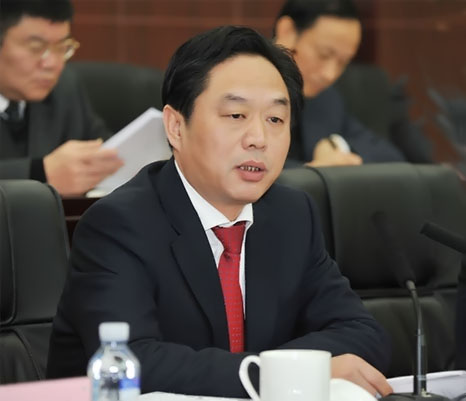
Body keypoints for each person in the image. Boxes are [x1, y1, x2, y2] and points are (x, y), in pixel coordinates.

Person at [47, 26, 393, 397]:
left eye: (275, 119)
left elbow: (363, 334)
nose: (258, 139)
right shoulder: (118, 225)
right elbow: (134, 361)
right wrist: (278, 373)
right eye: (236, 115)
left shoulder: (292, 215)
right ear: (176, 127)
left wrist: (270, 370)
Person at [0, 0, 123, 196]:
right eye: (36, 47)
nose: (52, 64)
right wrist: (39, 173)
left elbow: (106, 150)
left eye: (61, 47)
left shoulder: (65, 88)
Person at [274, 0, 406, 166]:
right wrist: (313, 172)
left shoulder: (326, 100)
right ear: (287, 31)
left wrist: (338, 146)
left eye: (343, 62)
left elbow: (389, 156)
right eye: (323, 54)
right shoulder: (244, 86)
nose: (330, 75)